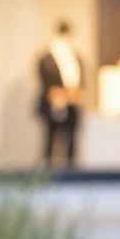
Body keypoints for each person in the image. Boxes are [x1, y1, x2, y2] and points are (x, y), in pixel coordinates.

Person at [37, 19, 84, 168]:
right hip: (53, 101)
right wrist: (55, 92)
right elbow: (45, 76)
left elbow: (81, 77)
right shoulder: (47, 57)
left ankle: (71, 166)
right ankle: (48, 166)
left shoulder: (75, 56)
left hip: (71, 101)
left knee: (71, 136)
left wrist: (75, 92)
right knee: (51, 135)